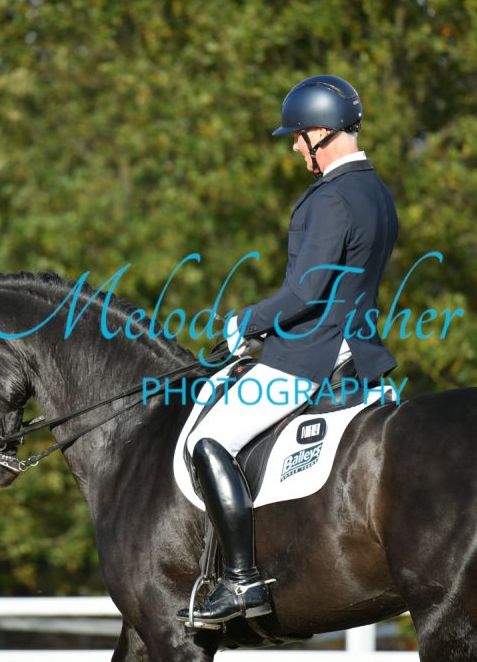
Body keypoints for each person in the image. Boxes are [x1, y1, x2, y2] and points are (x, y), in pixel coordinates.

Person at [177, 75, 399, 625]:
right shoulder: (377, 191)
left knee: (208, 440)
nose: (296, 148)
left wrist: (244, 322)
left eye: (299, 137)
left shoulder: (332, 198)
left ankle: (240, 581)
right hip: (359, 350)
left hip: (310, 358)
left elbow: (306, 292)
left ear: (321, 132)